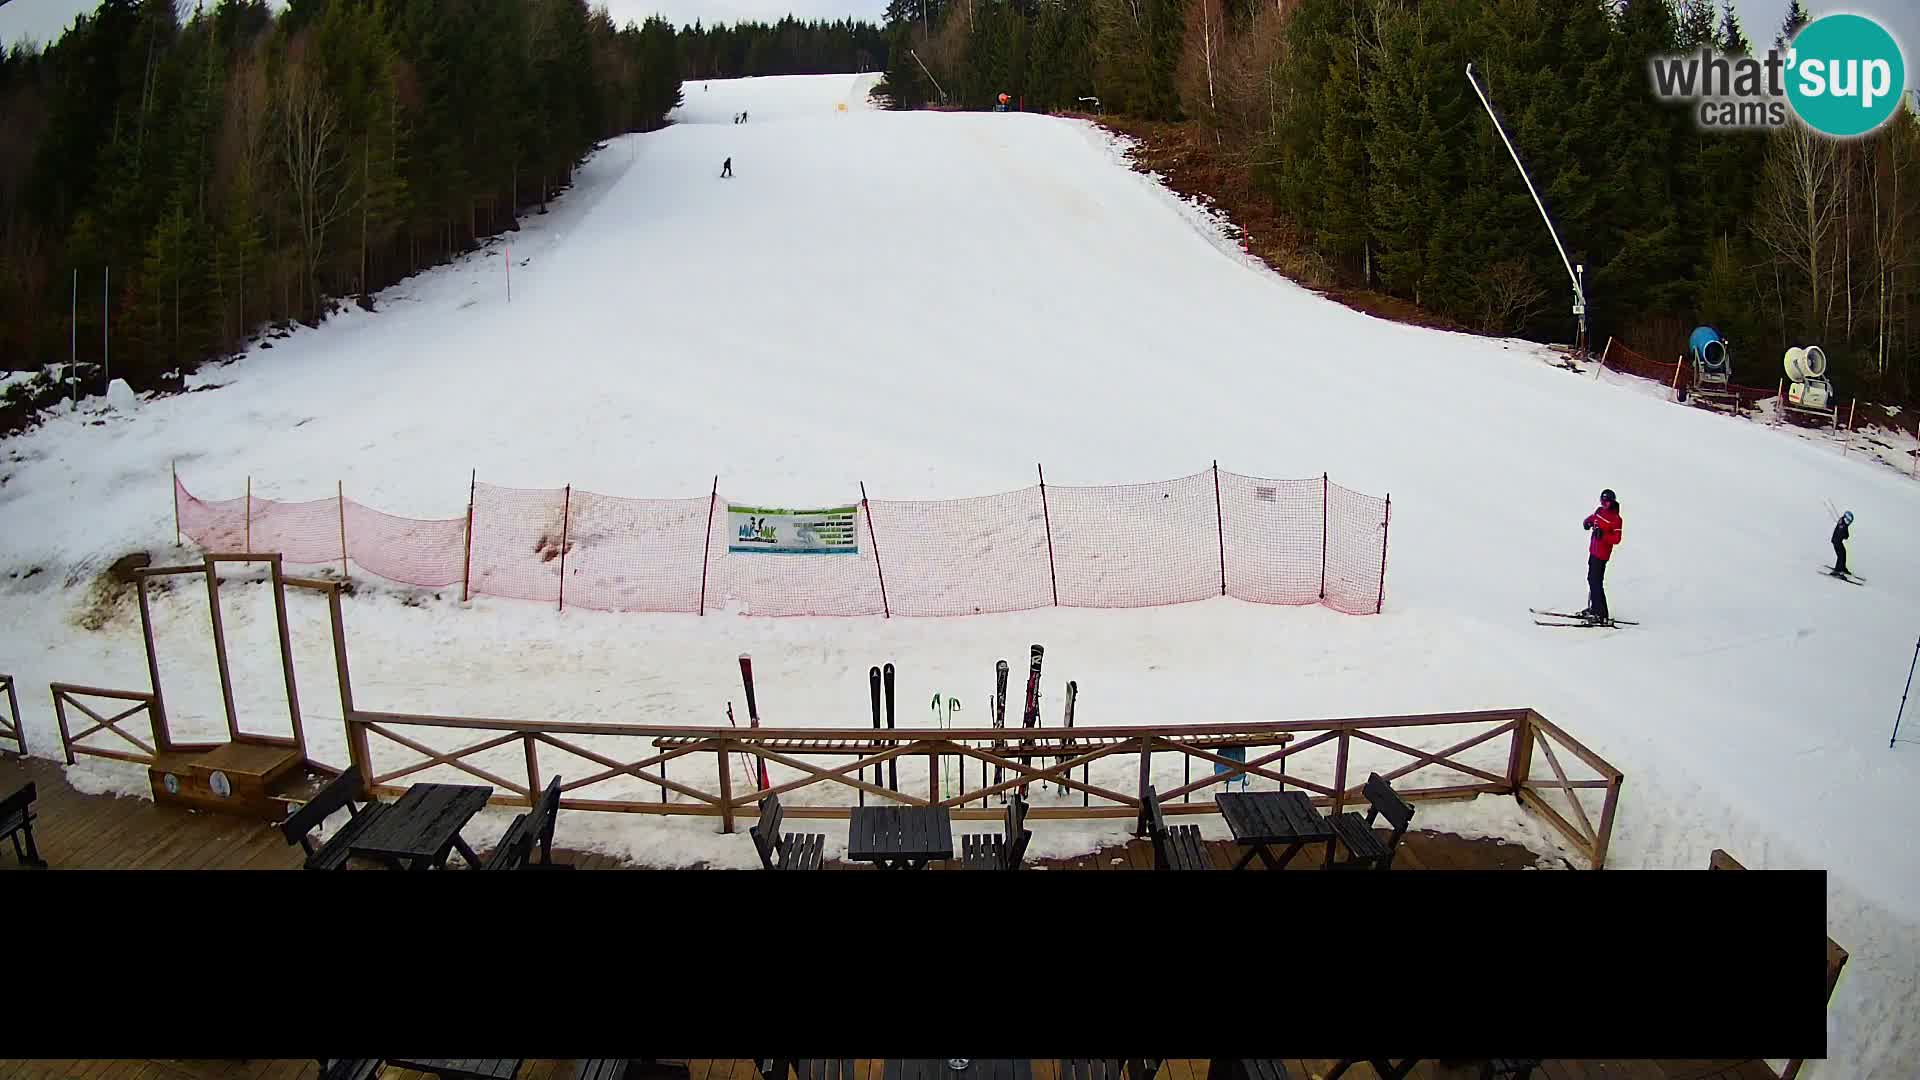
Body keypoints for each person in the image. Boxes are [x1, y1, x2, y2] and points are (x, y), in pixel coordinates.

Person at [1578, 489, 1623, 622]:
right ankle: (1594, 608)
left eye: (1607, 502)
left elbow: (1617, 538)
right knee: (1591, 579)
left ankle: (1601, 613)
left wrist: (1603, 535)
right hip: (1593, 551)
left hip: (1602, 554)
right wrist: (1587, 522)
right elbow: (1593, 518)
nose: (1604, 504)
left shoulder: (1616, 519)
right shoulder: (1599, 511)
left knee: (1596, 581)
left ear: (1612, 502)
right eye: (1602, 501)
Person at [1832, 510, 1853, 576]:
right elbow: (1842, 534)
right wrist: (1845, 535)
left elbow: (1845, 532)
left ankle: (1842, 567)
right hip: (1836, 541)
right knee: (1841, 555)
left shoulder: (1843, 522)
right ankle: (1837, 570)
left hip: (1838, 541)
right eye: (1849, 521)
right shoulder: (1842, 526)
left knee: (1843, 552)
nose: (1849, 523)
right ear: (1846, 519)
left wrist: (1846, 535)